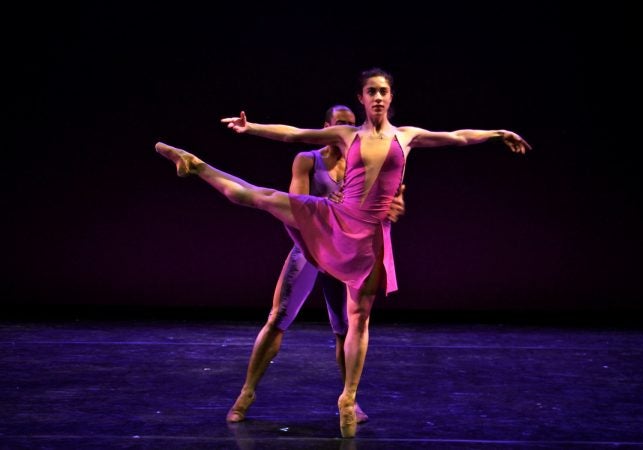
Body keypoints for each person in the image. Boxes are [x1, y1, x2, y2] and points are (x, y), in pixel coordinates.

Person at [156, 67, 531, 438]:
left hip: (368, 238)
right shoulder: (344, 135)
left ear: (391, 96)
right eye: (371, 91)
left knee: (357, 320)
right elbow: (294, 134)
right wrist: (250, 127)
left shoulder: (407, 136)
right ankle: (197, 165)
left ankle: (348, 398)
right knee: (261, 197)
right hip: (332, 219)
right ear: (362, 97)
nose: (378, 97)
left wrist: (498, 133)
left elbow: (458, 137)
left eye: (383, 91)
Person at [225, 104, 406, 424]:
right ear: (327, 127)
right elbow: (299, 206)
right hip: (310, 248)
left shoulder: (363, 162)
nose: (347, 130)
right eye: (340, 124)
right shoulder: (308, 160)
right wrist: (328, 207)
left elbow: (386, 202)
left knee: (345, 328)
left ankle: (350, 399)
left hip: (346, 252)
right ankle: (246, 392)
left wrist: (393, 207)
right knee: (278, 317)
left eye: (351, 124)